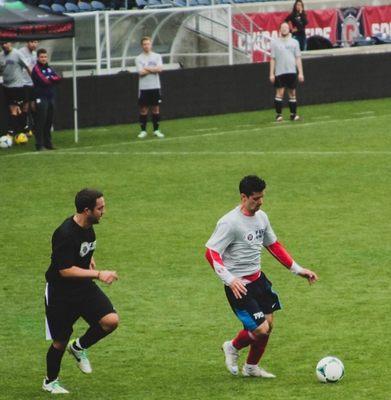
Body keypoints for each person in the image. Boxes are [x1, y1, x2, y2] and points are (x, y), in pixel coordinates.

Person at [205, 175, 318, 378]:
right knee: (261, 329)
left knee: (269, 324)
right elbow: (211, 252)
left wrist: (298, 269)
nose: (260, 202)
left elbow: (273, 245)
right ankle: (232, 346)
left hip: (258, 280)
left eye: (262, 197)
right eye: (255, 198)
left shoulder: (261, 217)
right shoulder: (229, 223)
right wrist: (230, 279)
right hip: (239, 286)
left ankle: (251, 368)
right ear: (243, 197)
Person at [43, 189, 120, 394]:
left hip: (82, 288)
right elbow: (65, 270)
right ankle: (50, 382)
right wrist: (98, 274)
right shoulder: (65, 233)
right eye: (100, 208)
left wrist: (89, 261)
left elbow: (83, 251)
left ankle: (78, 347)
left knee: (110, 321)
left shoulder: (88, 226)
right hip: (61, 294)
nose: (104, 211)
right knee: (60, 341)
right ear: (87, 210)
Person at [269, 22, 304, 122]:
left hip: (292, 71)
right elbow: (273, 59)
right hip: (280, 72)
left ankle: (293, 115)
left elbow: (298, 58)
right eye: (282, 27)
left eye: (286, 27)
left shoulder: (294, 42)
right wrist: (271, 73)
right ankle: (278, 115)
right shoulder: (275, 43)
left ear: (289, 29)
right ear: (279, 29)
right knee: (279, 93)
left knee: (292, 93)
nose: (284, 29)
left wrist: (300, 72)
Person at [31, 48, 61, 151]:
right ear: (38, 58)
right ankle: (39, 145)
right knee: (41, 122)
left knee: (49, 121)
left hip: (50, 98)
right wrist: (51, 79)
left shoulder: (49, 68)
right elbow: (44, 81)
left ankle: (48, 143)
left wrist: (50, 78)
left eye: (45, 57)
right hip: (40, 98)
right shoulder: (36, 69)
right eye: (41, 57)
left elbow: (58, 78)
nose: (43, 59)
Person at [135, 36, 164, 139]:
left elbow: (160, 69)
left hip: (155, 86)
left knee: (155, 109)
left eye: (148, 44)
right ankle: (143, 131)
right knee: (143, 110)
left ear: (151, 45)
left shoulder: (157, 56)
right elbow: (141, 72)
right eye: (144, 44)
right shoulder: (138, 58)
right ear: (142, 46)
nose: (146, 46)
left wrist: (147, 68)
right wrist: (153, 69)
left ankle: (156, 130)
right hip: (144, 88)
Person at [0, 42, 30, 137]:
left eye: (6, 43)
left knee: (16, 108)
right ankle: (23, 129)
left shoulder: (17, 54)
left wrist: (35, 79)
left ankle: (12, 132)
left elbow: (28, 66)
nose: (4, 45)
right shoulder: (1, 55)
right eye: (2, 44)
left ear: (11, 44)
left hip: (17, 86)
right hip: (6, 86)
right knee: (15, 109)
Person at [19, 40, 38, 137]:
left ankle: (36, 128)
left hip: (33, 84)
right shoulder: (21, 52)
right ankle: (24, 129)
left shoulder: (35, 54)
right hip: (23, 83)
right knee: (25, 107)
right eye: (32, 42)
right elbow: (27, 68)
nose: (34, 44)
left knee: (34, 106)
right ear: (27, 43)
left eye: (36, 42)